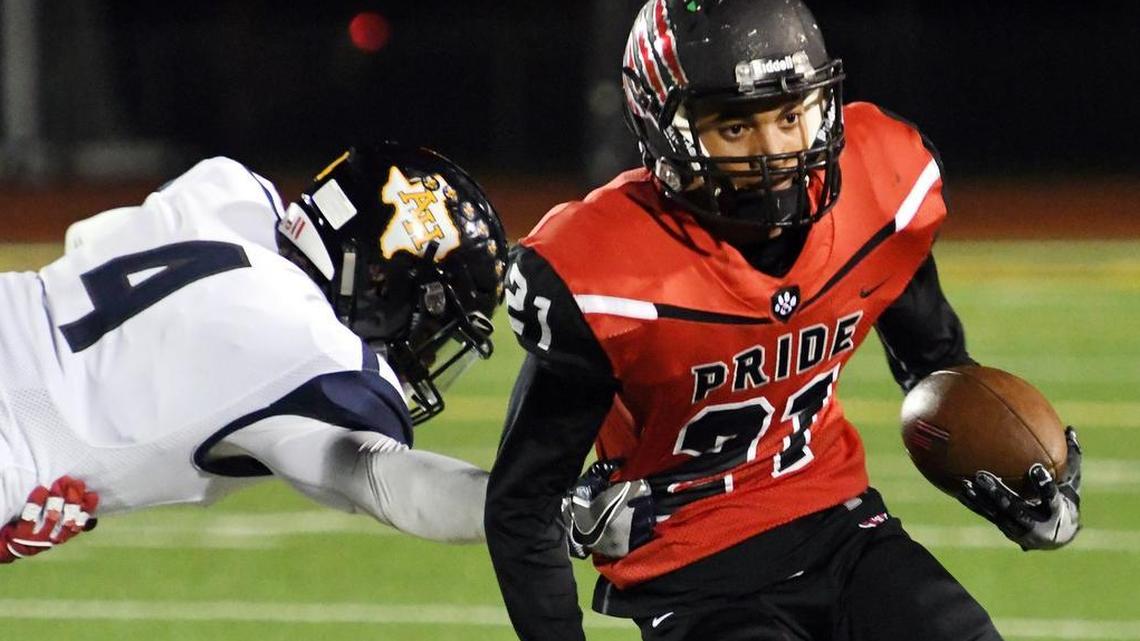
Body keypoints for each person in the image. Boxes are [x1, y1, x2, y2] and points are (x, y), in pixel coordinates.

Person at [484, 2, 1082, 640]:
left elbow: (939, 372)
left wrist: (1017, 487)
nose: (773, 151)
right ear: (664, 129)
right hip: (691, 572)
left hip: (840, 526)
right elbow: (524, 504)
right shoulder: (610, 273)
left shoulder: (877, 195)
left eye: (790, 115)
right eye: (734, 126)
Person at [0, 143, 510, 563]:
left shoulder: (227, 189)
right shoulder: (314, 352)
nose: (423, 355)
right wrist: (524, 508)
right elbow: (383, 479)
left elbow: (85, 240)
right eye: (428, 330)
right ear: (378, 283)